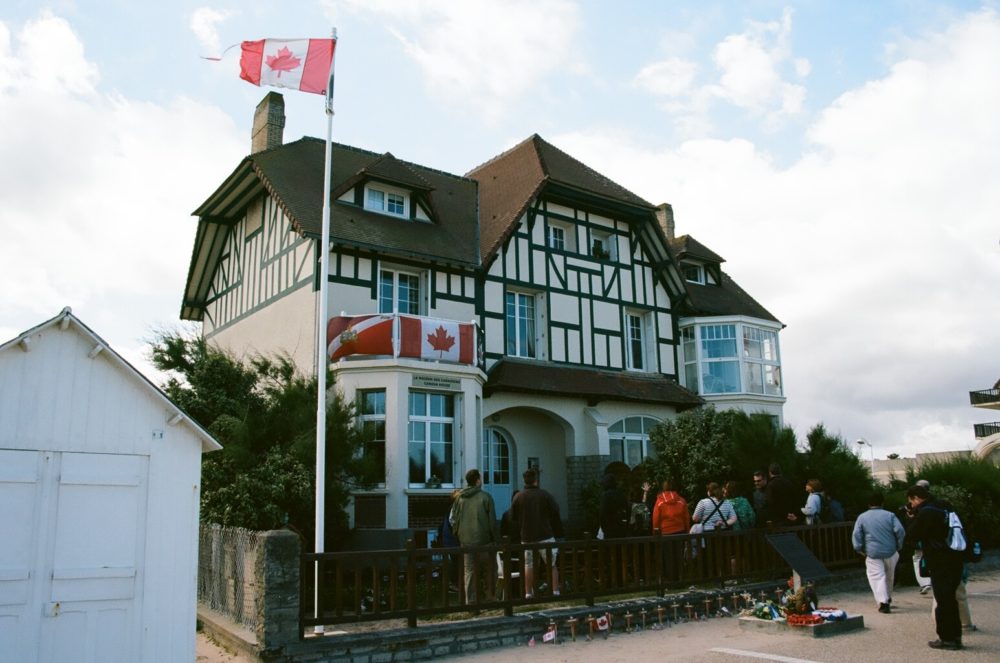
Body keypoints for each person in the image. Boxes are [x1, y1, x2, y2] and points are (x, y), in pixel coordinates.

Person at [904, 484, 966, 650]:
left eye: (911, 502)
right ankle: (956, 636)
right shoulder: (945, 506)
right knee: (951, 599)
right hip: (955, 556)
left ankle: (947, 638)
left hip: (939, 559)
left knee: (943, 600)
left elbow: (912, 534)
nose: (912, 505)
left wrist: (911, 517)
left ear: (915, 498)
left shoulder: (926, 512)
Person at [511, 467, 564, 598]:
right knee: (551, 564)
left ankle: (528, 592)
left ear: (524, 480)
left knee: (528, 565)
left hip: (527, 535)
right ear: (536, 480)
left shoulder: (518, 497)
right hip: (545, 534)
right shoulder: (544, 495)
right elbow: (555, 510)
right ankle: (555, 590)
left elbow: (513, 517)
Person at [450, 468, 499, 603]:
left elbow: (453, 519)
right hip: (484, 541)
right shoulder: (486, 497)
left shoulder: (459, 498)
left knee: (470, 572)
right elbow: (492, 522)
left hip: (466, 542)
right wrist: (496, 539)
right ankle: (490, 597)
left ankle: (471, 601)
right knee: (490, 570)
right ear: (478, 480)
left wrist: (458, 534)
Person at [852, 491, 905, 613]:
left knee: (877, 577)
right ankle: (888, 596)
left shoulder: (862, 517)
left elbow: (857, 534)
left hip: (872, 552)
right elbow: (900, 531)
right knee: (889, 576)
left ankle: (883, 602)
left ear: (868, 504)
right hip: (891, 550)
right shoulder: (890, 515)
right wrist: (899, 545)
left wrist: (858, 548)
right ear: (882, 502)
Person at [599, 473, 630, 539]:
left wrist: (604, 529)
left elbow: (602, 513)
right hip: (621, 529)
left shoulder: (606, 495)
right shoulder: (621, 494)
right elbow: (628, 511)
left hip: (609, 529)